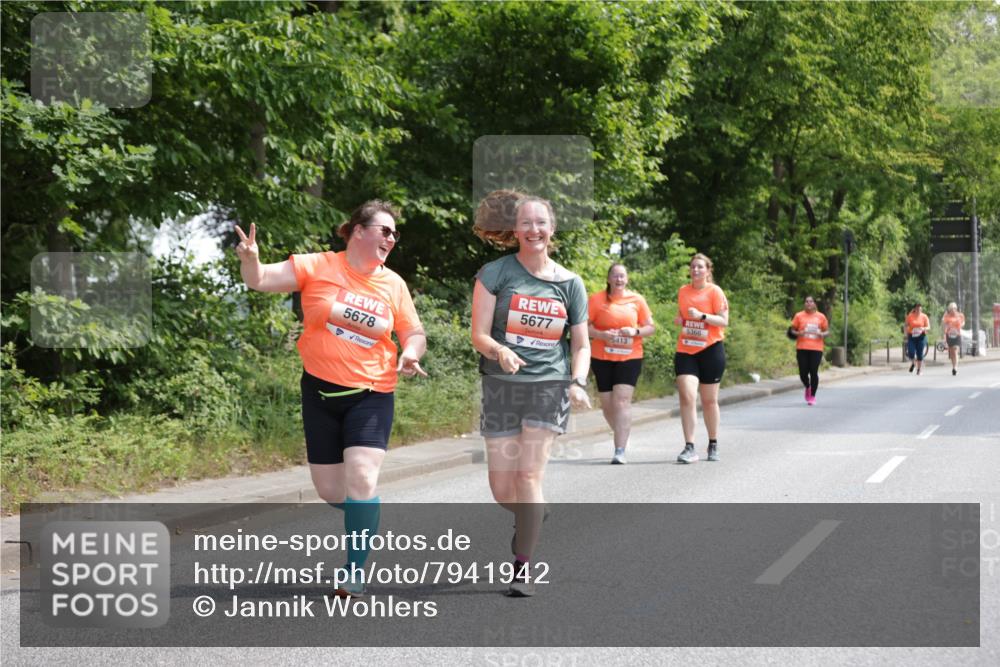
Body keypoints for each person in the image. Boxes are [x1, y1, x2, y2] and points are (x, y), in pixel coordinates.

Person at [234, 200, 427, 597]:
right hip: (319, 390)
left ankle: (354, 571)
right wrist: (251, 259)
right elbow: (260, 280)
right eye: (384, 230)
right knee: (330, 491)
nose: (391, 238)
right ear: (358, 231)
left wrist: (410, 353)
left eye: (395, 234)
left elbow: (413, 332)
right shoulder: (319, 265)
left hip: (372, 392)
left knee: (360, 476)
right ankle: (366, 514)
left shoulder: (393, 284)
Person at [470, 190, 591, 597]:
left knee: (528, 475)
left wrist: (577, 382)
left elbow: (581, 345)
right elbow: (479, 335)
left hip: (548, 386)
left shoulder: (571, 284)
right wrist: (499, 350)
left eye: (541, 222)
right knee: (503, 489)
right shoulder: (495, 273)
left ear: (552, 229)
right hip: (501, 387)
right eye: (526, 223)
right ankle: (533, 515)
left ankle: (523, 568)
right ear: (515, 229)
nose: (533, 229)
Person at [587, 263, 655, 464]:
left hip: (630, 356)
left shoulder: (637, 300)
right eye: (615, 276)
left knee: (622, 401)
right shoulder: (596, 299)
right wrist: (601, 334)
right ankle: (622, 432)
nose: (618, 279)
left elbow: (650, 327)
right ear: (608, 279)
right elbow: (584, 326)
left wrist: (634, 332)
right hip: (602, 357)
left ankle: (619, 450)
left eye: (622, 276)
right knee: (607, 405)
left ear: (627, 279)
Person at [673, 253, 729, 464]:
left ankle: (713, 442)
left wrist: (702, 316)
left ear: (708, 271)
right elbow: (682, 314)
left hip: (711, 350)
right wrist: (681, 319)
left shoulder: (715, 292)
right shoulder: (683, 291)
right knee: (687, 395)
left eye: (700, 267)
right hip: (686, 349)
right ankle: (689, 446)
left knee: (709, 400)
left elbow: (724, 321)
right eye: (693, 267)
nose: (695, 270)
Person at [790, 296, 830, 405]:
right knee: (803, 372)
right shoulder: (799, 316)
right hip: (802, 347)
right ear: (804, 304)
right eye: (806, 301)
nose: (808, 303)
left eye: (811, 301)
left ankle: (812, 396)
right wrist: (799, 333)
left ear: (814, 304)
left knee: (813, 371)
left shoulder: (821, 317)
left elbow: (827, 331)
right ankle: (807, 386)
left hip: (816, 348)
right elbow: (792, 330)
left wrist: (822, 334)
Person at [905, 303, 930, 375]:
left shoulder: (924, 316)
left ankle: (919, 370)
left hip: (921, 336)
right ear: (915, 309)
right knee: (911, 352)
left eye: (920, 308)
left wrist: (923, 328)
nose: (919, 309)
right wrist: (906, 334)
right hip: (912, 336)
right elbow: (906, 325)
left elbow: (928, 327)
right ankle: (913, 363)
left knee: (920, 353)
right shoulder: (910, 316)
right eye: (917, 308)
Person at [941, 302, 965, 376]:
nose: (953, 310)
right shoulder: (947, 316)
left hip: (957, 335)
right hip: (949, 335)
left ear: (956, 308)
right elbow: (943, 325)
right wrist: (944, 335)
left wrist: (961, 325)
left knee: (955, 350)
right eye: (951, 309)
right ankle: (953, 365)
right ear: (949, 309)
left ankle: (955, 368)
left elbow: (963, 322)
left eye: (954, 308)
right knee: (951, 353)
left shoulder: (960, 315)